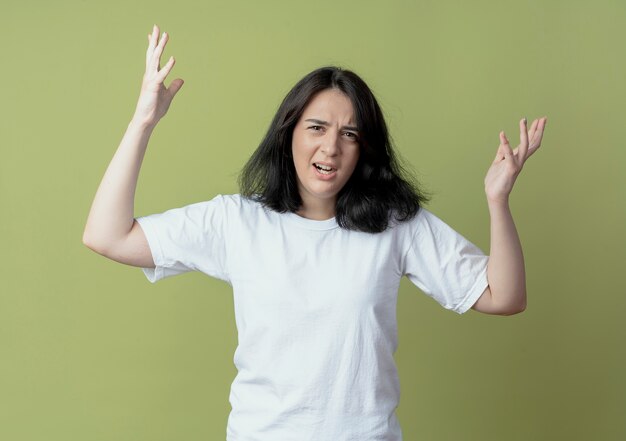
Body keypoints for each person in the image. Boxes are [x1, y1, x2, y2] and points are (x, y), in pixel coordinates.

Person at [83, 24, 547, 441]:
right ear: (289, 135)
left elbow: (504, 296)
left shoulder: (393, 225)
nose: (331, 147)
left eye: (349, 133)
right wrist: (143, 121)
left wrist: (497, 202)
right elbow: (107, 236)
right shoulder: (236, 222)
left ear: (364, 148)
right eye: (317, 128)